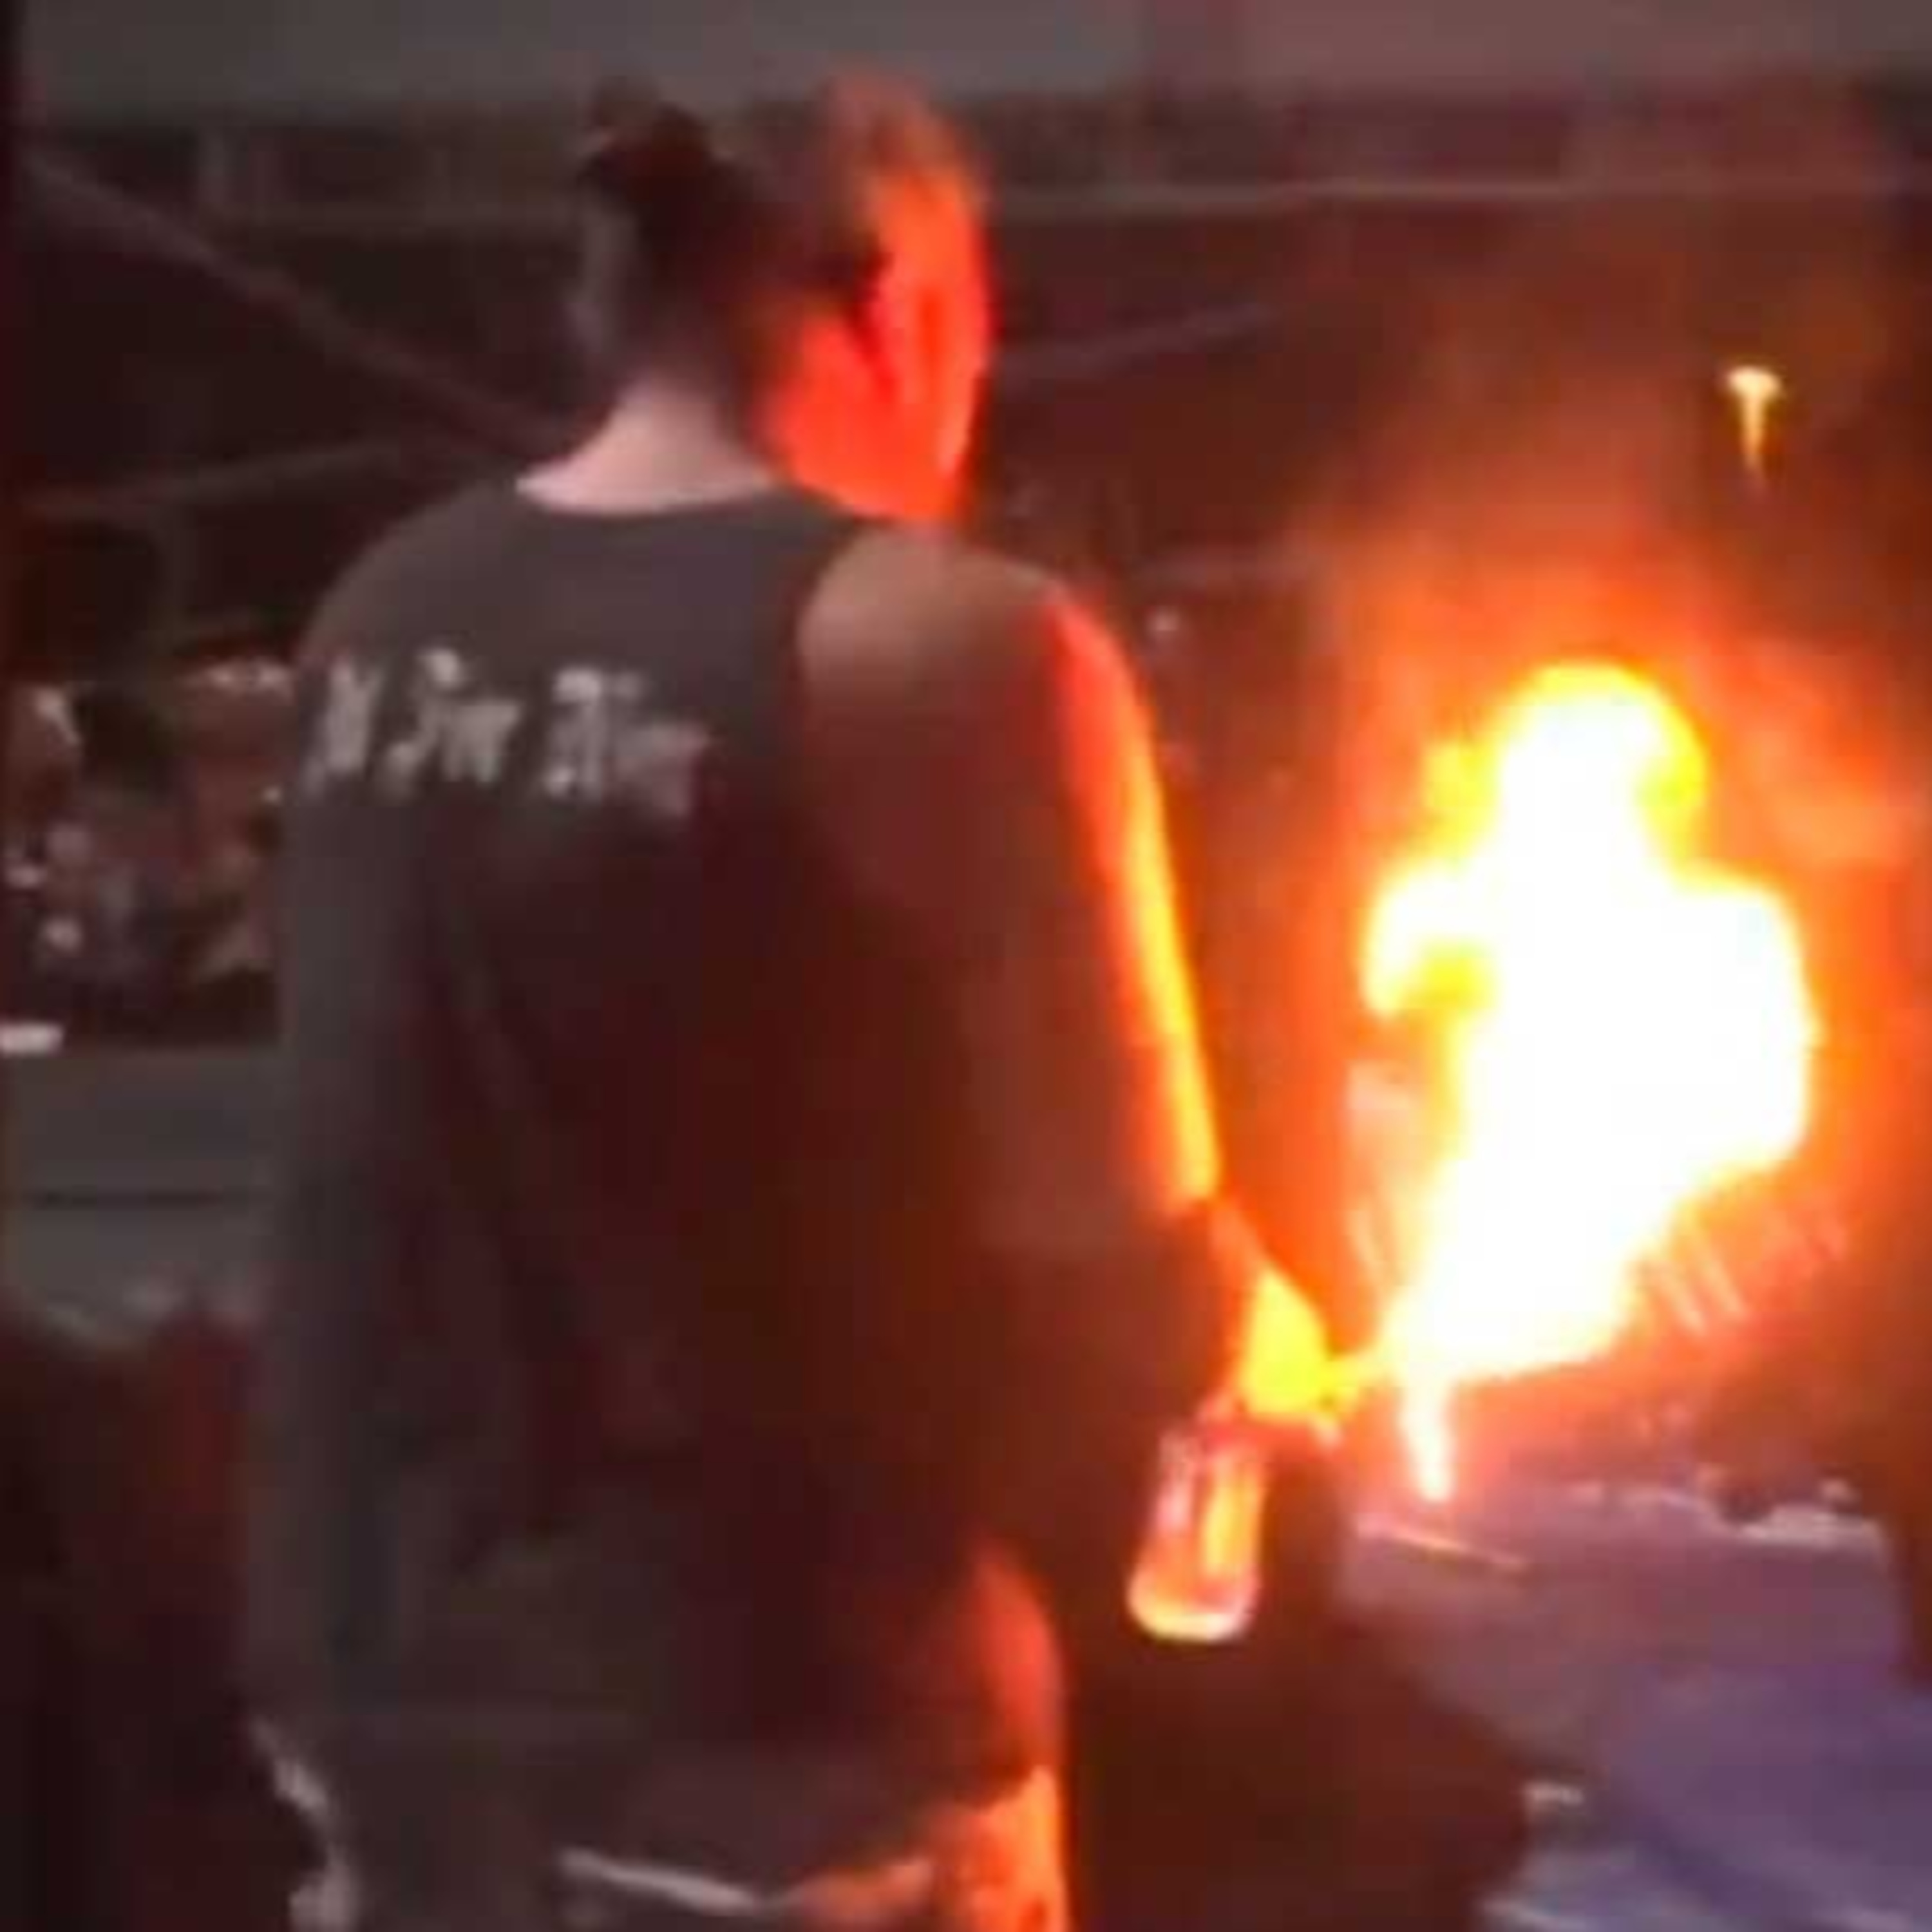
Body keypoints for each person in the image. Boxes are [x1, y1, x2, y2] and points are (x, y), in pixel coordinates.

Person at [247, 76, 1334, 1931]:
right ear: (905, 311)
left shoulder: (379, 616)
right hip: (780, 1737)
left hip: (376, 1689)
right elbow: (1133, 1270)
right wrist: (1260, 1344)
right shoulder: (954, 647)